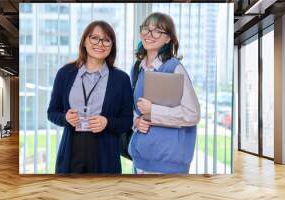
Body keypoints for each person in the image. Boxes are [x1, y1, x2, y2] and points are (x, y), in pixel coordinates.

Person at [47, 21, 133, 174]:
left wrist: (107, 122)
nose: (100, 43)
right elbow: (52, 112)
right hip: (71, 151)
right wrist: (65, 118)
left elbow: (127, 121)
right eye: (94, 38)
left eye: (106, 40)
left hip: (106, 154)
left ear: (112, 46)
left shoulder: (121, 79)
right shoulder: (65, 74)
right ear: (84, 42)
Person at [128, 12, 201, 174]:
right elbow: (133, 107)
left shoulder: (174, 68)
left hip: (168, 163)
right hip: (141, 158)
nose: (149, 34)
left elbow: (192, 114)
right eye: (146, 29)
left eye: (157, 31)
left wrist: (153, 111)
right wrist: (137, 121)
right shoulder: (137, 68)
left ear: (168, 39)